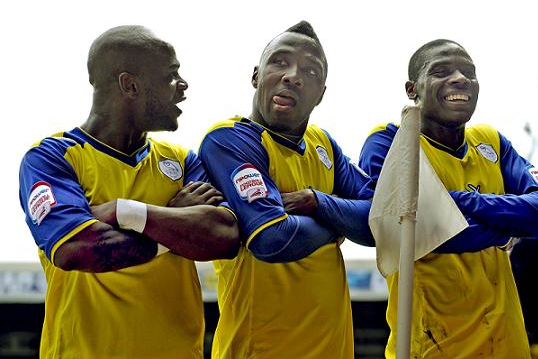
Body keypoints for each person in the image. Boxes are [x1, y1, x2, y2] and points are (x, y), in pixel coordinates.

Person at [18, 25, 240, 359]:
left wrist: (123, 212)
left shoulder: (181, 161)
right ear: (130, 85)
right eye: (171, 75)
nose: (183, 86)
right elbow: (77, 249)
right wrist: (174, 220)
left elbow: (223, 237)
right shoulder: (51, 158)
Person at [359, 39, 538, 358]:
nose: (460, 79)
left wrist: (466, 202)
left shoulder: (491, 142)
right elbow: (410, 228)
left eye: (468, 72)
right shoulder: (390, 141)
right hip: (433, 347)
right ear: (412, 89)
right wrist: (506, 227)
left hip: (507, 345)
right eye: (442, 71)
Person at [198, 21, 375, 358]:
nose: (293, 75)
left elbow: (380, 223)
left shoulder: (324, 146)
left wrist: (317, 202)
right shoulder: (230, 140)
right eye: (280, 62)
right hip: (261, 349)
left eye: (310, 70)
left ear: (321, 93)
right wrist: (338, 221)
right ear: (255, 76)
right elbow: (272, 239)